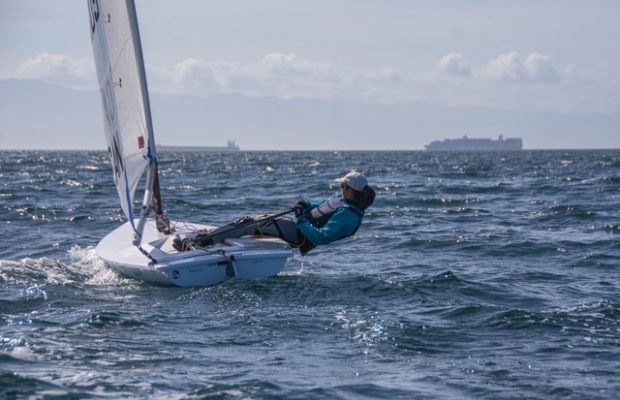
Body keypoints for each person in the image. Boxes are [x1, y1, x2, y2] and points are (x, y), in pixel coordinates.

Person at [174, 171, 375, 254]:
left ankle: (197, 245)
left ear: (351, 190)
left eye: (343, 186)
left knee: (250, 224)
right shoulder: (343, 202)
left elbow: (322, 238)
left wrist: (301, 220)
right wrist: (305, 206)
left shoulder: (348, 217)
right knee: (250, 220)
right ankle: (207, 238)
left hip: (301, 237)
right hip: (299, 228)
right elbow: (317, 208)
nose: (340, 188)